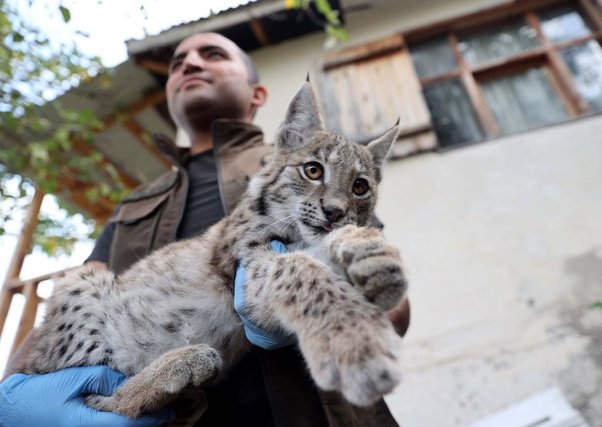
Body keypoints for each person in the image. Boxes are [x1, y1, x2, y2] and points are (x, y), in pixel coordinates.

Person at [0, 32, 410, 426]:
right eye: (178, 63)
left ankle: (151, 394)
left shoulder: (299, 175)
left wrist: (341, 303)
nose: (191, 63)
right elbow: (74, 297)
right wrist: (11, 397)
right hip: (122, 340)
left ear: (257, 95)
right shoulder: (135, 200)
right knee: (77, 288)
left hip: (304, 416)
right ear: (293, 135)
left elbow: (392, 301)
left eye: (214, 54)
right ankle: (135, 396)